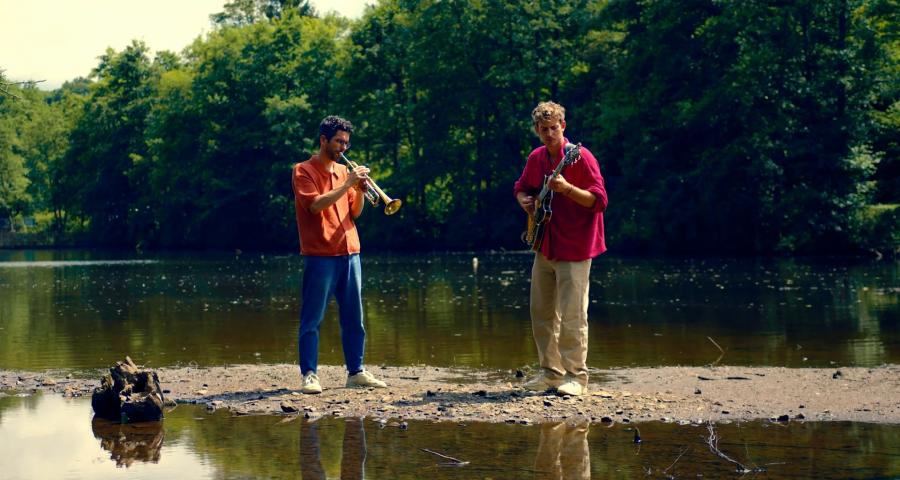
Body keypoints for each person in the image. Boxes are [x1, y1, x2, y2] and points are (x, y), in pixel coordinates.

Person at [513, 101, 607, 397]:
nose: (550, 134)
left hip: (576, 246)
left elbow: (599, 201)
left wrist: (567, 189)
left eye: (554, 128)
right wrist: (524, 201)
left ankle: (576, 377)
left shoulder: (581, 157)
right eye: (544, 130)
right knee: (540, 313)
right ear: (537, 131)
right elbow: (521, 187)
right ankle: (551, 373)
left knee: (572, 315)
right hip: (545, 244)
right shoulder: (537, 157)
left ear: (563, 126)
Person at [292, 115, 387, 394]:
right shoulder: (303, 170)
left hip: (350, 251)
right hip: (320, 254)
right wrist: (347, 184)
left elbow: (354, 213)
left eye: (346, 142)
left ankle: (355, 372)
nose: (343, 148)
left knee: (354, 318)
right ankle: (309, 374)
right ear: (323, 140)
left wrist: (359, 190)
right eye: (338, 142)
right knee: (312, 319)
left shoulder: (344, 172)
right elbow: (315, 206)